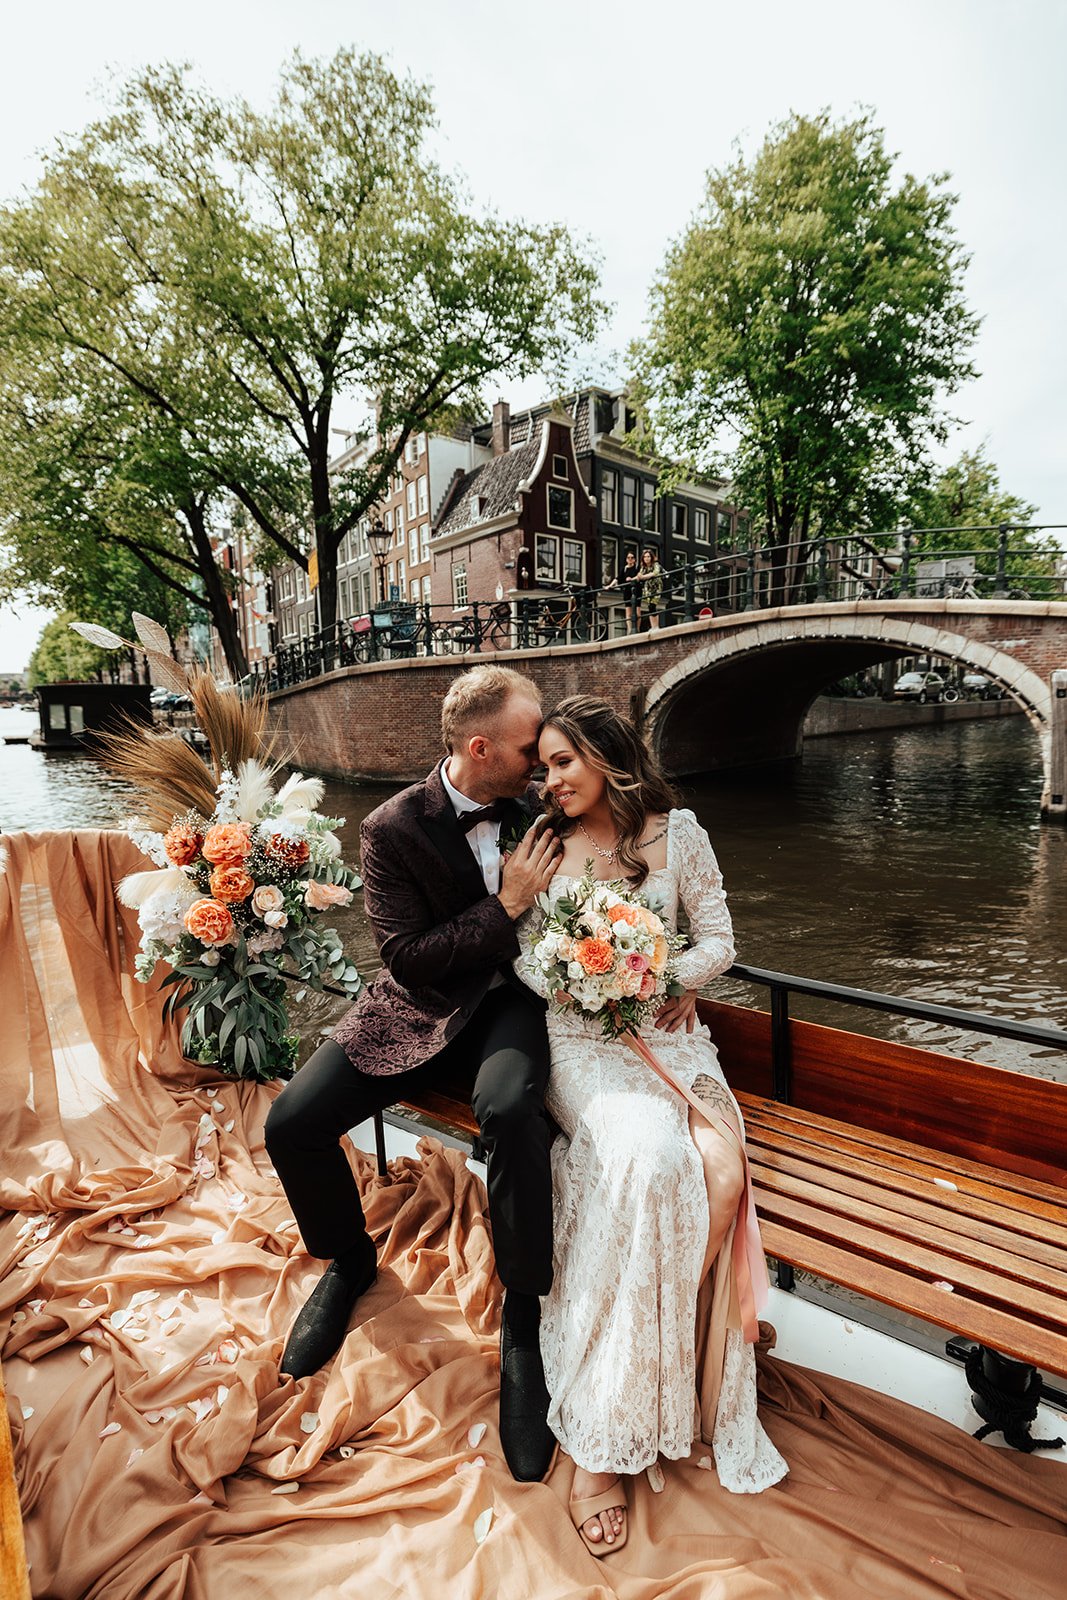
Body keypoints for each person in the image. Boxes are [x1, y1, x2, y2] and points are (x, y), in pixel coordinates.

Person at [264, 665, 563, 1482]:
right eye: (529, 745)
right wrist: (501, 908)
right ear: (480, 748)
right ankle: (348, 1261)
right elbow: (406, 958)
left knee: (511, 1113)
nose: (543, 756)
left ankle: (523, 1320)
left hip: (510, 1005)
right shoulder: (392, 827)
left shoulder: (543, 802)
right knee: (290, 1125)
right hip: (413, 1006)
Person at [514, 695, 787, 1555]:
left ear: (607, 758)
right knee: (646, 1157)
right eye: (542, 766)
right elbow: (523, 954)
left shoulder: (682, 834)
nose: (548, 780)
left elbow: (719, 938)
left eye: (562, 762)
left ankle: (678, 1363)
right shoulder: (542, 850)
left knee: (718, 1171)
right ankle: (607, 1415)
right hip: (582, 1043)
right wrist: (574, 976)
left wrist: (665, 978)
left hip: (672, 1037)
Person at [606, 549, 641, 634]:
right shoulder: (624, 569)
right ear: (626, 559)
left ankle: (637, 629)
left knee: (637, 612)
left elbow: (640, 576)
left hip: (636, 590)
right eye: (628, 558)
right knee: (628, 612)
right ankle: (630, 630)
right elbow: (617, 578)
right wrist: (610, 585)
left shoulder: (637, 568)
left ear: (634, 559)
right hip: (627, 591)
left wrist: (632, 579)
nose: (630, 559)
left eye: (632, 558)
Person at [638, 547, 663, 629]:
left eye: (648, 556)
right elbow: (639, 575)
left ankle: (656, 626)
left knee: (653, 605)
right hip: (648, 588)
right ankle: (654, 627)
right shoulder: (643, 567)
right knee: (650, 607)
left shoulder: (656, 565)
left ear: (651, 557)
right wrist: (631, 579)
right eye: (645, 557)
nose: (646, 558)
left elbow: (655, 573)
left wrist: (643, 577)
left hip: (656, 587)